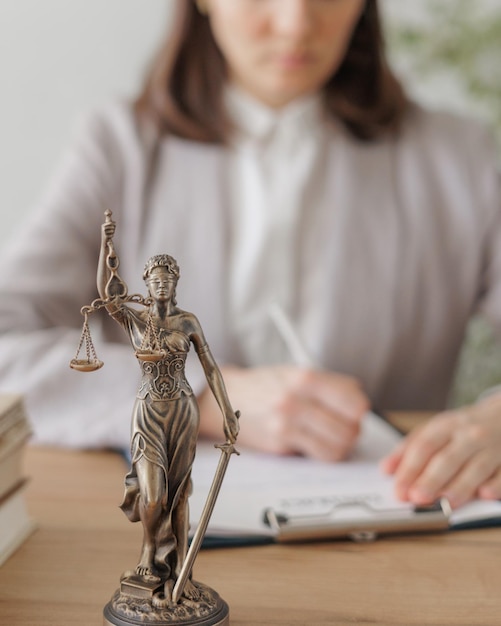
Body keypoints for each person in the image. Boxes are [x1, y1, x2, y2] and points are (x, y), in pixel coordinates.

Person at [1, 0, 501, 512]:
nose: (295, 24)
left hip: (403, 528)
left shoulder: (461, 157)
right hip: (166, 533)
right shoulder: (119, 147)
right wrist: (198, 397)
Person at [94, 213, 239, 593]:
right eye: (154, 279)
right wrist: (106, 246)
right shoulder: (136, 320)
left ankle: (181, 571)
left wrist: (227, 413)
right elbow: (107, 295)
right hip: (147, 413)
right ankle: (148, 555)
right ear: (146, 284)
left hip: (182, 411)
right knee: (153, 494)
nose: (160, 284)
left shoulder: (188, 322)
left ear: (175, 283)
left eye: (167, 278)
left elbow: (210, 368)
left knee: (178, 493)